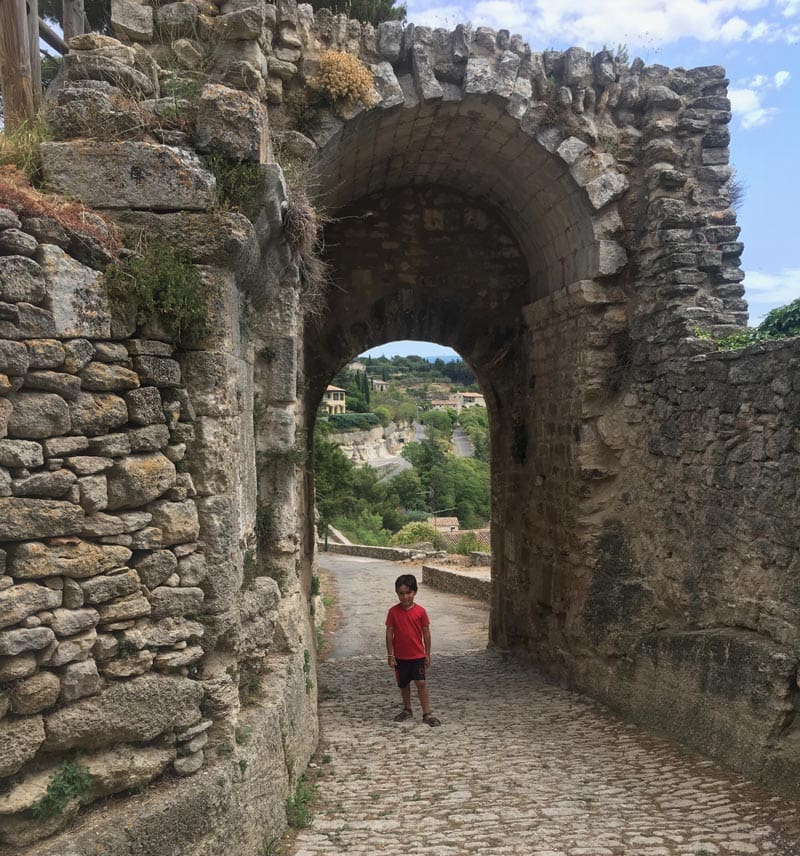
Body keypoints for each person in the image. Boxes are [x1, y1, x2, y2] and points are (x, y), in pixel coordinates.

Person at [385, 573, 441, 726]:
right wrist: (390, 654)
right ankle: (407, 709)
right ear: (397, 593)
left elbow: (426, 634)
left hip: (417, 655)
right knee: (403, 684)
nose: (405, 597)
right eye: (401, 594)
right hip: (400, 656)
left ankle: (427, 713)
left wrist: (427, 654)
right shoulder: (393, 612)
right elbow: (389, 633)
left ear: (414, 592)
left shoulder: (420, 612)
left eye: (408, 593)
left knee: (421, 683)